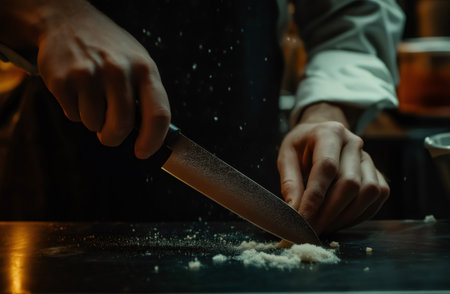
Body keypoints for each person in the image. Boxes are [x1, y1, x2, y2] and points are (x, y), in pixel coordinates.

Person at [0, 0, 404, 236]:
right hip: (56, 186)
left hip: (250, 167)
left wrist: (326, 111)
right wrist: (50, 12)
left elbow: (354, 12)